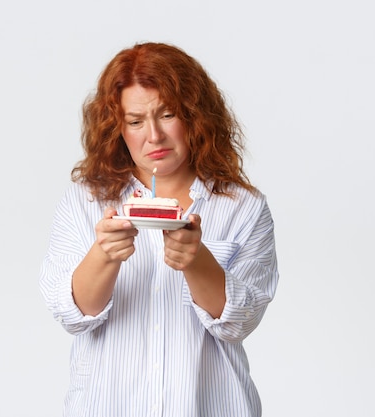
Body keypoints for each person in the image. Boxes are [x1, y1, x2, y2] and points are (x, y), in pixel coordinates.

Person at [39, 42, 279, 417]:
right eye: (135, 121)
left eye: (167, 115)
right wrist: (103, 255)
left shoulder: (242, 207)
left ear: (196, 117)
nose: (153, 136)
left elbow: (239, 324)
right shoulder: (84, 202)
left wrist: (197, 260)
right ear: (117, 128)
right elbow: (73, 315)